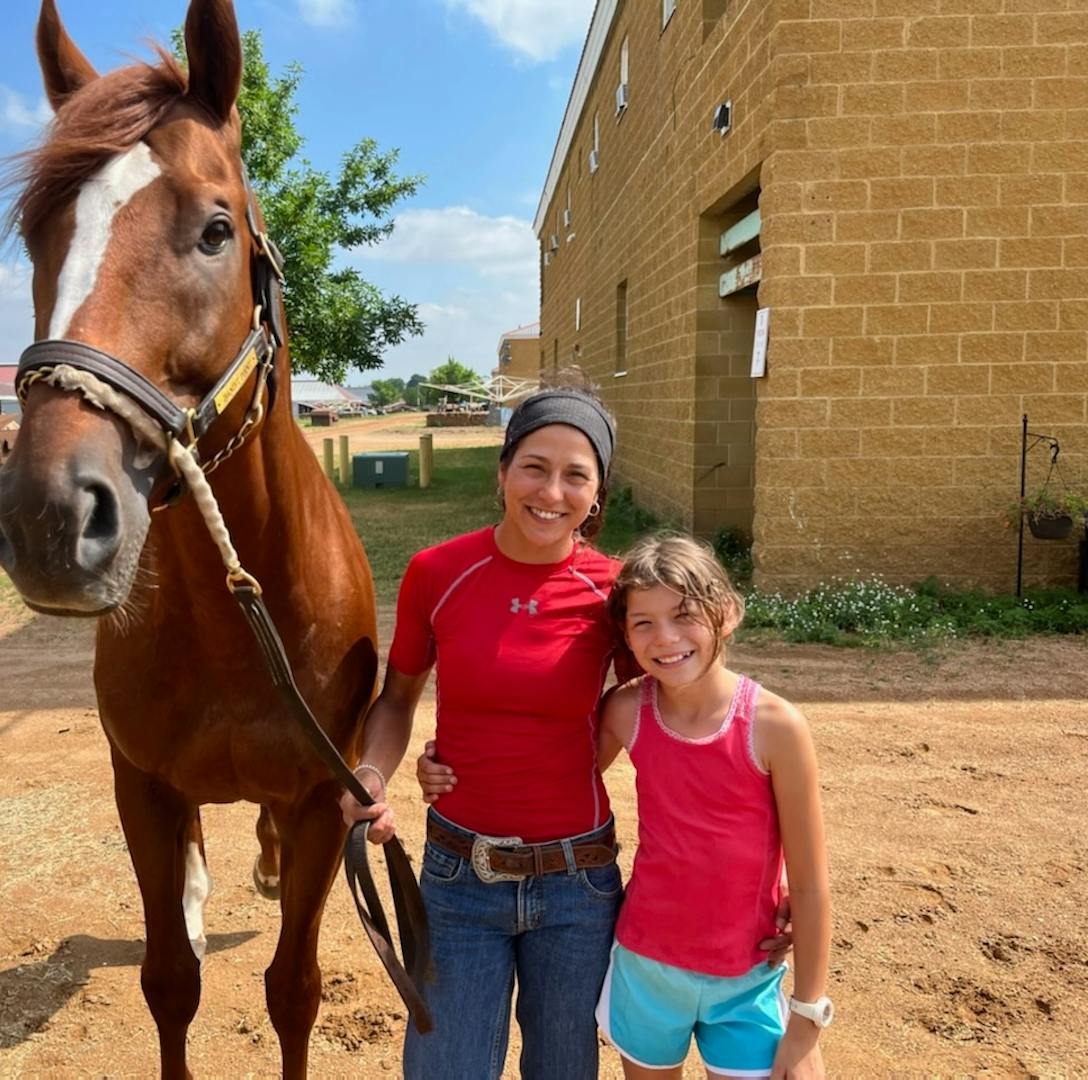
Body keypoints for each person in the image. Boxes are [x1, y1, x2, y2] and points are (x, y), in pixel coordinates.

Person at [339, 387, 639, 1079]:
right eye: (534, 466)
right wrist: (374, 775)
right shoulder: (436, 573)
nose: (551, 491)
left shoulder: (616, 591)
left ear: (597, 496)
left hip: (579, 885)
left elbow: (647, 701)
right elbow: (395, 701)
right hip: (457, 879)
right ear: (501, 472)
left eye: (576, 476)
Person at [592, 535, 831, 1080]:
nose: (666, 638)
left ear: (726, 614)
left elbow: (812, 884)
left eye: (684, 615)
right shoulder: (625, 710)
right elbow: (557, 784)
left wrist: (807, 1022)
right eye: (643, 622)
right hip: (645, 970)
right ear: (626, 636)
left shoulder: (776, 727)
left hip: (746, 978)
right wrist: (448, 764)